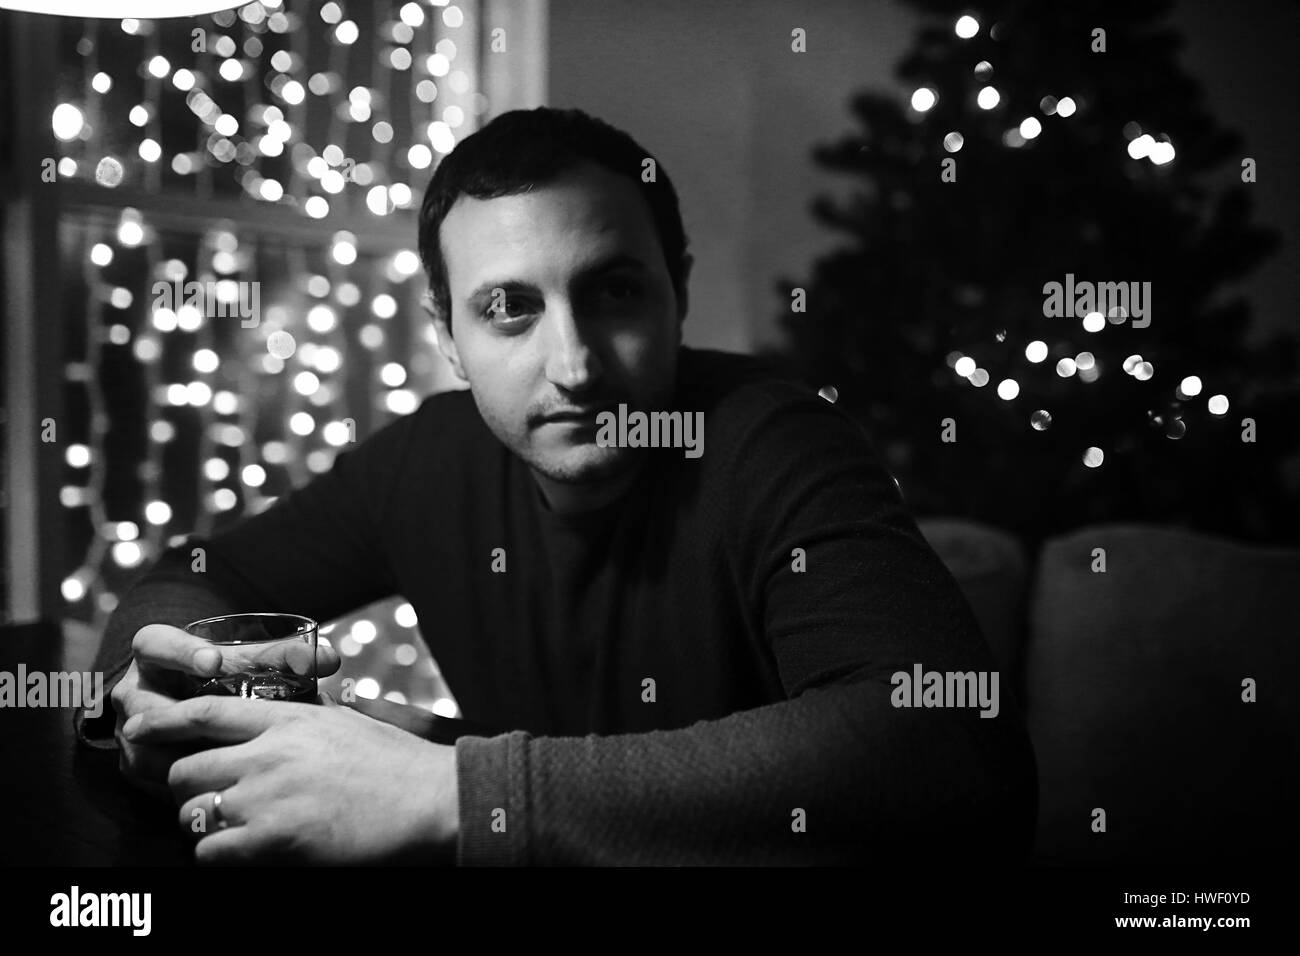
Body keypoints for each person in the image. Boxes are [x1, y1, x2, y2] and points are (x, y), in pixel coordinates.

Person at [76, 106, 1037, 865]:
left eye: (614, 291)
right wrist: (148, 687)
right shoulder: (427, 461)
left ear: (679, 293)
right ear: (447, 334)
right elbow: (205, 571)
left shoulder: (776, 443)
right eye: (509, 309)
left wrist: (451, 792)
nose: (573, 365)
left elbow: (951, 749)